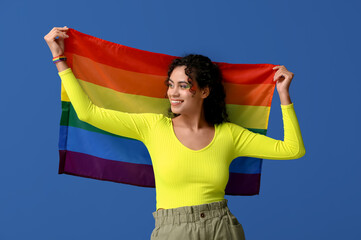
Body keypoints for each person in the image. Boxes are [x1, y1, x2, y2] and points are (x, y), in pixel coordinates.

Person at [44, 26, 305, 240]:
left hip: (221, 229)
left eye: (183, 86)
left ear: (204, 91)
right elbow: (89, 113)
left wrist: (284, 96)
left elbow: (292, 149)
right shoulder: (154, 127)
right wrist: (60, 60)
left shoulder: (230, 135)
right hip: (173, 230)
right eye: (171, 85)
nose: (173, 93)